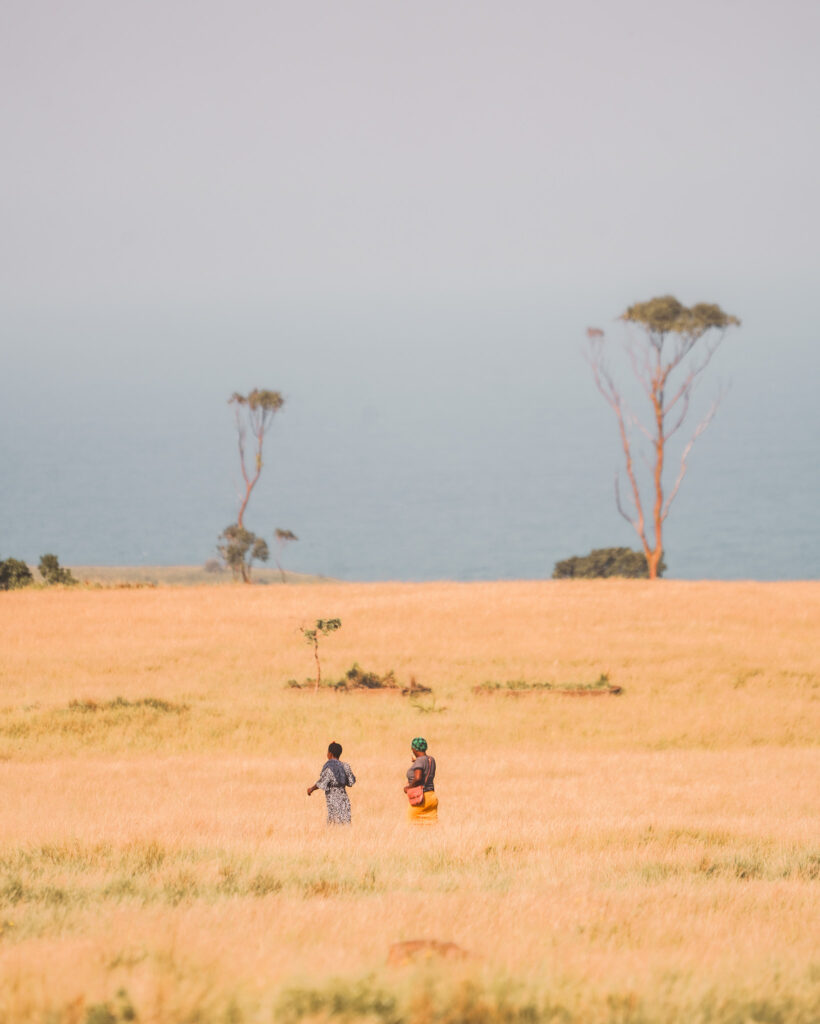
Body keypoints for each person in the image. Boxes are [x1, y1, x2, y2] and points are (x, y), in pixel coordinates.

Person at [307, 741, 356, 824]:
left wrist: (311, 789)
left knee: (333, 825)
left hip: (333, 801)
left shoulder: (329, 767)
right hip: (345, 801)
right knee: (345, 824)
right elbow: (351, 782)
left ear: (329, 753)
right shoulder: (345, 766)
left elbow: (322, 782)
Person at [404, 736, 437, 823]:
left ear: (414, 749)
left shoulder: (419, 761)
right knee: (431, 826)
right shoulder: (431, 759)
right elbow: (425, 767)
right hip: (431, 797)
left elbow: (418, 778)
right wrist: (416, 761)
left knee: (412, 825)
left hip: (421, 798)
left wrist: (408, 788)